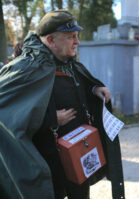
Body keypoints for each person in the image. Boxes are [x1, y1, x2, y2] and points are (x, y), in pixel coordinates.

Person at [0, 10, 124, 199]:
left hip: (79, 156)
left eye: (77, 36)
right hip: (48, 160)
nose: (77, 42)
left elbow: (80, 86)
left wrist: (94, 90)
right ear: (51, 40)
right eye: (71, 37)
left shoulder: (69, 64)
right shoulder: (25, 68)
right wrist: (50, 118)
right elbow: (7, 116)